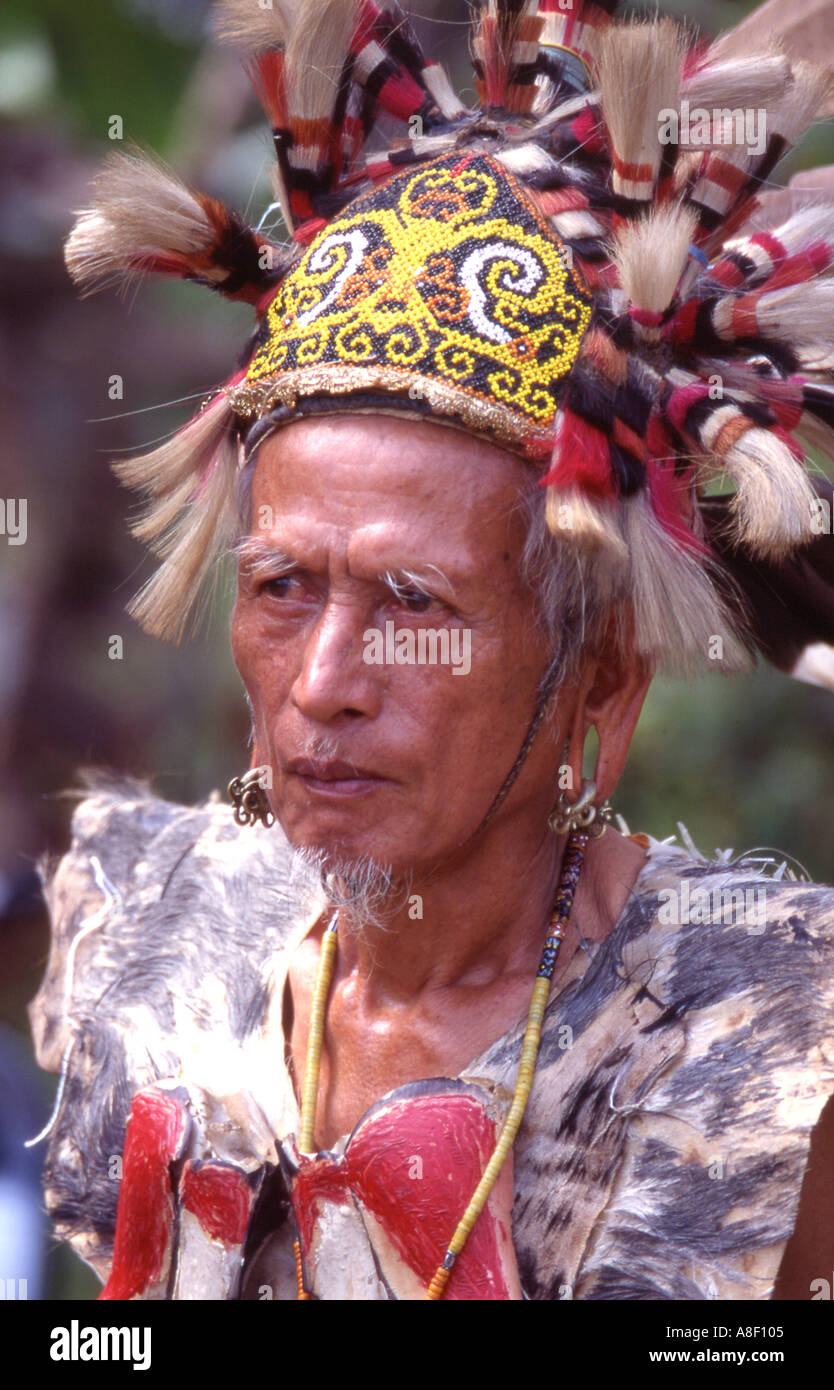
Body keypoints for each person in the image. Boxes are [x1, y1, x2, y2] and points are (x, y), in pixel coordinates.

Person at [29, 0, 834, 1300]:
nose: (321, 684)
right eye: (282, 585)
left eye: (414, 602)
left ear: (599, 684)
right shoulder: (149, 936)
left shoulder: (754, 1041)